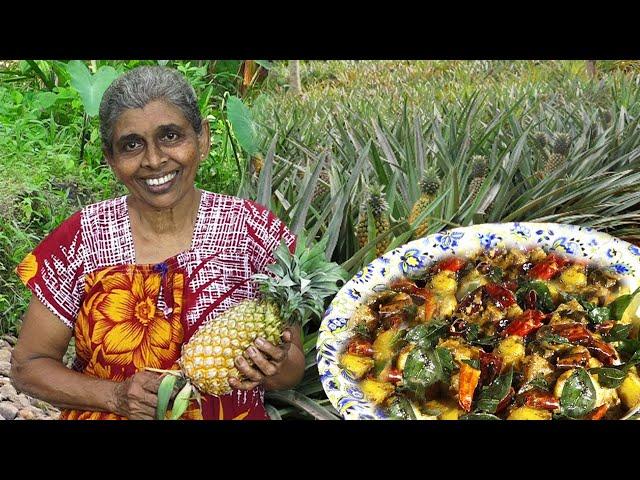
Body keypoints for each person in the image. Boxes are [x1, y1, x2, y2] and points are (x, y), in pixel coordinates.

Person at [11, 65, 305, 420]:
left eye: (170, 136)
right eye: (131, 145)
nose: (153, 160)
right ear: (111, 159)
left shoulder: (253, 231)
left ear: (203, 139)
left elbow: (292, 370)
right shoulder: (84, 237)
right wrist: (115, 396)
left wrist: (273, 366)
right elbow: (28, 366)